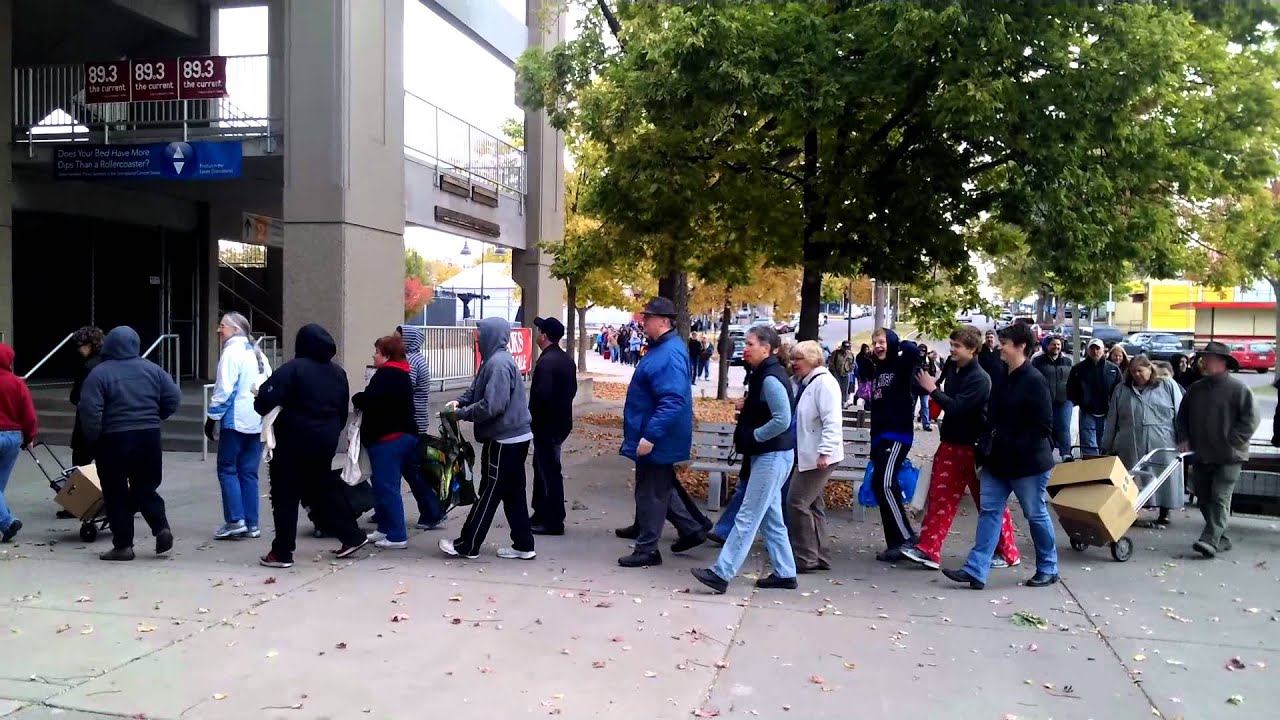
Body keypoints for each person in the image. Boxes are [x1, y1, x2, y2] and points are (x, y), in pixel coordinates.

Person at [942, 323, 1058, 590]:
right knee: (990, 512)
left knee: (1035, 513)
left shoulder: (1034, 381)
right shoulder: (1002, 375)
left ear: (1021, 347)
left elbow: (1043, 427)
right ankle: (976, 570)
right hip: (997, 460)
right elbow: (992, 415)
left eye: (1005, 343)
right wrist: (987, 442)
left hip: (1028, 464)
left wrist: (1013, 445)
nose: (1000, 347)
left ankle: (1048, 567)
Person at [901, 326, 1021, 571]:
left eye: (957, 346)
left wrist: (933, 389)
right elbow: (936, 395)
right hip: (951, 444)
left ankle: (1008, 552)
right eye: (952, 344)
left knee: (988, 503)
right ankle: (928, 550)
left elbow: (957, 407)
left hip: (974, 448)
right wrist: (924, 383)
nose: (952, 349)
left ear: (973, 350)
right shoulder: (953, 368)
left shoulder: (980, 379)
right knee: (939, 497)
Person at [692, 325, 797, 593]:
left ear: (767, 348)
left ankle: (721, 572)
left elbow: (782, 419)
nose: (745, 348)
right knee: (771, 518)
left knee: (748, 516)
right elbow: (770, 411)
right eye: (747, 344)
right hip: (771, 455)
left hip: (771, 455)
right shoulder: (764, 374)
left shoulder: (770, 377)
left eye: (751, 344)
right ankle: (786, 572)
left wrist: (755, 437)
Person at [254, 324, 368, 568]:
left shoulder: (293, 370)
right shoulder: (338, 373)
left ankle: (282, 551)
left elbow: (265, 399)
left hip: (292, 441)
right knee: (320, 488)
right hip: (325, 440)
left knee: (285, 495)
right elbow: (341, 410)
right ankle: (352, 535)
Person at [617, 297, 709, 568]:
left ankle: (647, 549)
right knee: (660, 487)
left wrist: (650, 436)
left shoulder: (667, 354)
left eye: (647, 318)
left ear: (663, 321)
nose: (643, 322)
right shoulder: (666, 348)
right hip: (657, 435)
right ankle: (693, 527)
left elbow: (672, 400)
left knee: (652, 492)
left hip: (657, 437)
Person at [77, 327, 182, 561]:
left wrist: (93, 438)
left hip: (113, 438)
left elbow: (89, 410)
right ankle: (161, 527)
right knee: (145, 487)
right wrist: (157, 416)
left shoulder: (99, 373)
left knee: (115, 493)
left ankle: (123, 545)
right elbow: (173, 397)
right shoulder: (154, 370)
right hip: (149, 435)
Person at [440, 317, 536, 560]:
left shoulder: (498, 364)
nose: (477, 339)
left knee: (489, 492)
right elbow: (475, 391)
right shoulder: (493, 361)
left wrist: (462, 414)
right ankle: (523, 544)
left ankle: (468, 545)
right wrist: (460, 402)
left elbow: (493, 405)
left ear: (491, 336)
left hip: (505, 440)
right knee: (513, 492)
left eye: (480, 334)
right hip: (513, 438)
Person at [1175, 341, 1260, 558]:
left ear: (1222, 362)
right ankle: (1221, 539)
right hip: (1202, 454)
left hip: (1230, 455)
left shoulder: (1239, 389)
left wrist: (1233, 439)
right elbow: (1182, 417)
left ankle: (1209, 540)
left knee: (1220, 497)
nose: (1204, 362)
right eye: (1203, 358)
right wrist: (1183, 437)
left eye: (1209, 358)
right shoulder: (1195, 389)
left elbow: (1251, 419)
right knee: (1203, 497)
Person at [206, 312, 271, 540]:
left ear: (235, 329)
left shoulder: (231, 352)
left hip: (235, 420)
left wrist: (212, 416)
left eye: (222, 326)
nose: (218, 330)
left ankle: (235, 520)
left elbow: (225, 388)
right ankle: (252, 523)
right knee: (248, 472)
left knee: (227, 468)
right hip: (256, 420)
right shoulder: (258, 353)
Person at [353, 335, 421, 550]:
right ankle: (385, 527)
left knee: (387, 487)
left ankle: (396, 535)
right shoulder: (400, 374)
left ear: (387, 355)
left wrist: (357, 398)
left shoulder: (386, 375)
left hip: (388, 439)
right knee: (385, 486)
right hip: (401, 437)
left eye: (377, 352)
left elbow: (369, 400)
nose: (374, 355)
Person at [1102, 355, 1183, 526]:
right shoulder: (1122, 389)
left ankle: (1165, 510)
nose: (1136, 375)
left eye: (1140, 371)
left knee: (1162, 476)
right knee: (1132, 476)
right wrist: (1107, 444)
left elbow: (1180, 414)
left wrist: (1184, 439)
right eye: (1133, 371)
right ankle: (1131, 510)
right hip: (1129, 440)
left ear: (1150, 369)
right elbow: (1112, 419)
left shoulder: (1167, 385)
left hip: (1162, 440)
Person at [786, 340, 844, 573]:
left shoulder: (823, 384)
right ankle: (820, 554)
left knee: (796, 502)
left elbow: (832, 420)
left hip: (818, 455)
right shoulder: (807, 383)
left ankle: (806, 556)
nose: (793, 363)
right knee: (812, 504)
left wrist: (825, 452)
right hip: (809, 453)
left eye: (798, 359)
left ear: (812, 360)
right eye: (793, 358)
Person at [868, 328, 921, 562]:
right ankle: (894, 542)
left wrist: (899, 343)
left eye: (881, 341)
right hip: (881, 436)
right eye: (874, 342)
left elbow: (912, 351)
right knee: (880, 486)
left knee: (885, 484)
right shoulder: (879, 371)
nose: (877, 346)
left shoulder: (901, 365)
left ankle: (906, 539)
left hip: (897, 434)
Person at [529, 317, 577, 535]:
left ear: (545, 336)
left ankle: (553, 519)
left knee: (548, 471)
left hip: (547, 425)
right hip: (560, 423)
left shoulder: (546, 363)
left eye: (539, 331)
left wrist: (532, 418)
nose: (537, 334)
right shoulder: (565, 359)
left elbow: (542, 396)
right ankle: (541, 511)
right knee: (543, 468)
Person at [395, 325, 444, 530]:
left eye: (399, 338)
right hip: (414, 422)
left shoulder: (411, 361)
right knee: (402, 469)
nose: (395, 341)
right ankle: (385, 510)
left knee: (412, 470)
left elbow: (404, 388)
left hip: (411, 424)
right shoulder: (413, 359)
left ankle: (432, 512)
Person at [0, 343, 38, 543]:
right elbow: (29, 414)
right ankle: (5, 522)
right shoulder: (17, 383)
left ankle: (7, 522)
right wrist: (30, 436)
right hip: (13, 437)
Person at [1067, 339, 1122, 457]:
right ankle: (1092, 469)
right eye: (1092, 348)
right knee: (1089, 446)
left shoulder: (1113, 369)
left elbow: (1120, 390)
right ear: (1088, 350)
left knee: (1105, 444)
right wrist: (1080, 402)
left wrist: (1115, 407)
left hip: (1107, 413)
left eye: (1098, 349)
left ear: (1103, 350)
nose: (1095, 351)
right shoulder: (1078, 369)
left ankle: (1103, 469)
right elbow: (1071, 388)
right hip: (1088, 413)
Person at [1032, 336, 1074, 462]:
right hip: (1045, 401)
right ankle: (1045, 452)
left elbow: (1072, 380)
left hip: (1064, 400)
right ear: (1047, 346)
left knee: (1063, 426)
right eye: (1053, 345)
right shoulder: (1038, 361)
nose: (1056, 347)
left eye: (1058, 345)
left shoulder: (1067, 361)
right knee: (1047, 427)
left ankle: (1066, 453)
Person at [68, 326, 104, 467]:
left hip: (87, 422)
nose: (78, 350)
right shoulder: (111, 362)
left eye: (80, 346)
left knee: (80, 466)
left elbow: (77, 396)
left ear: (89, 345)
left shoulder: (89, 366)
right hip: (109, 422)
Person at [915, 343, 938, 432]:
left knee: (925, 406)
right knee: (912, 406)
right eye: (920, 350)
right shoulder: (914, 360)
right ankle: (908, 423)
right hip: (915, 386)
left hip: (924, 388)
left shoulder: (928, 361)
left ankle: (926, 424)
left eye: (924, 351)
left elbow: (933, 372)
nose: (922, 352)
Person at [827, 341, 854, 407]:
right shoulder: (836, 353)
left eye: (848, 347)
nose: (846, 349)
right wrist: (833, 371)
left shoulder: (850, 354)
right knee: (836, 389)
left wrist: (850, 369)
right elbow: (831, 362)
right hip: (836, 373)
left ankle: (843, 403)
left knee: (844, 389)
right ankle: (835, 403)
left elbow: (852, 363)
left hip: (845, 374)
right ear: (842, 347)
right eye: (845, 347)